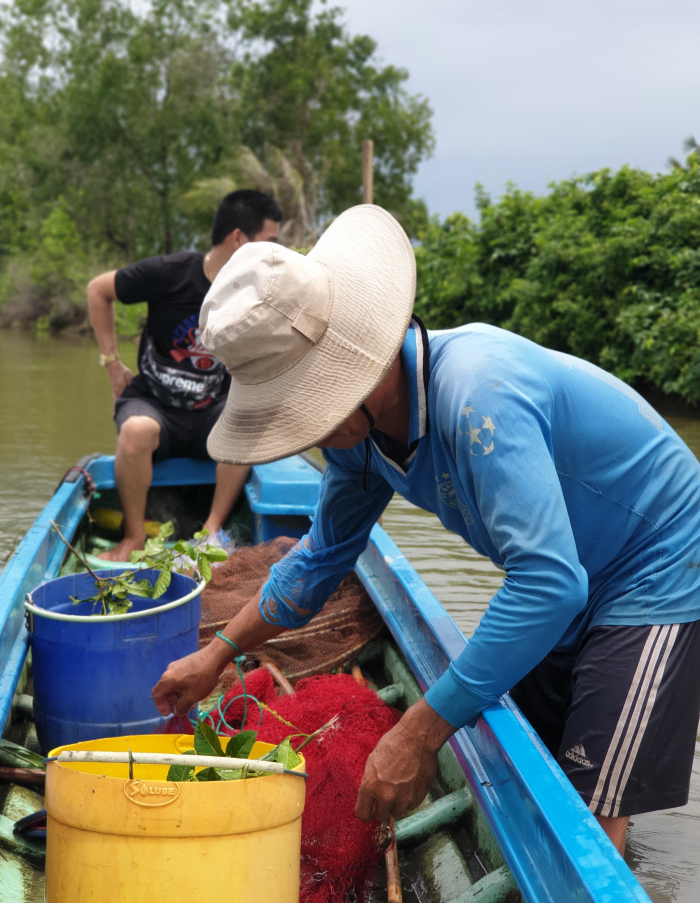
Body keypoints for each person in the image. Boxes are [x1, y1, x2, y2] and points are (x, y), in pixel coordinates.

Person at [151, 204, 700, 856]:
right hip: (567, 565)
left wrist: (417, 731)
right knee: (533, 765)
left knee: (592, 815)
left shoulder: (478, 395)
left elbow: (548, 585)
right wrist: (218, 654)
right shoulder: (359, 437)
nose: (302, 429)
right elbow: (321, 559)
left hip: (657, 560)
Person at [87, 189, 282, 561]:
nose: (275, 252)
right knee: (134, 431)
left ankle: (211, 531)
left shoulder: (259, 292)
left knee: (247, 420)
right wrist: (112, 362)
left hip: (212, 411)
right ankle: (132, 538)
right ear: (239, 238)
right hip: (155, 405)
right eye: (270, 242)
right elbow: (98, 291)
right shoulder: (170, 273)